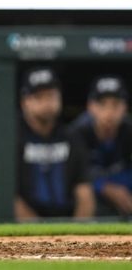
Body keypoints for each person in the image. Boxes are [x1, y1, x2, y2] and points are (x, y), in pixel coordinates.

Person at [15, 67, 95, 220]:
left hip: (68, 222)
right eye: (39, 97)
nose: (47, 103)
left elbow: (84, 192)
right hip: (25, 231)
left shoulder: (72, 137)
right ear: (25, 102)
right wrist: (38, 237)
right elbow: (9, 197)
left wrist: (77, 236)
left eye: (51, 96)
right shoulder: (11, 139)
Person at [69, 76, 132, 216]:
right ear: (90, 107)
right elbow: (73, 177)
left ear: (125, 107)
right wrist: (106, 188)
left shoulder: (129, 131)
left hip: (126, 192)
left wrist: (120, 190)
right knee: (85, 193)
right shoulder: (77, 133)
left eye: (115, 104)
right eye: (102, 104)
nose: (109, 112)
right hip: (93, 197)